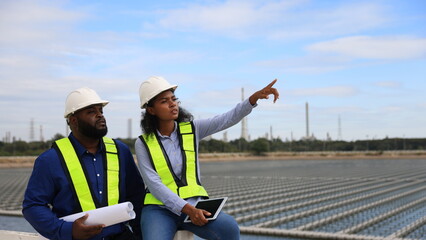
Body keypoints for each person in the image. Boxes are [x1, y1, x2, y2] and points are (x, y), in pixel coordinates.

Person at [135, 76, 279, 240]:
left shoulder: (193, 129)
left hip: (194, 204)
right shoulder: (143, 143)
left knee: (229, 229)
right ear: (151, 110)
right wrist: (187, 209)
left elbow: (226, 119)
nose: (172, 104)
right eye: (164, 101)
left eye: (174, 99)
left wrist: (253, 99)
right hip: (159, 208)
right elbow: (154, 185)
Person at [22, 87, 145, 240]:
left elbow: (137, 196)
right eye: (91, 112)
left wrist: (141, 235)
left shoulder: (120, 151)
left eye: (101, 110)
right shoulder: (50, 160)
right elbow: (33, 206)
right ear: (74, 120)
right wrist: (66, 230)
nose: (100, 115)